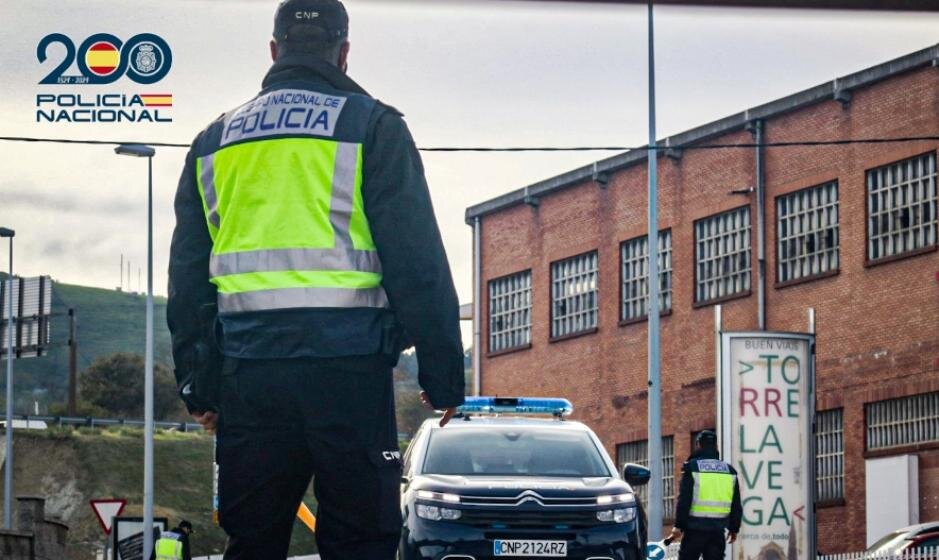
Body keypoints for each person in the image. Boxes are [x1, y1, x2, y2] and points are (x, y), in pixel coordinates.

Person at [166, 0, 466, 558]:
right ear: (344, 53)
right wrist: (443, 373)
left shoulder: (213, 142)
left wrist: (197, 383)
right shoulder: (373, 127)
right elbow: (417, 260)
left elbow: (188, 280)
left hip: (249, 376)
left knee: (252, 537)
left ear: (274, 50)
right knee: (359, 539)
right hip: (348, 373)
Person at [669, 430, 743, 560]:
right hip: (717, 532)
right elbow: (736, 504)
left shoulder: (692, 467)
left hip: (694, 531)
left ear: (698, 445)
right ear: (716, 447)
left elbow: (684, 500)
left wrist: (679, 526)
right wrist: (734, 528)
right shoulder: (730, 471)